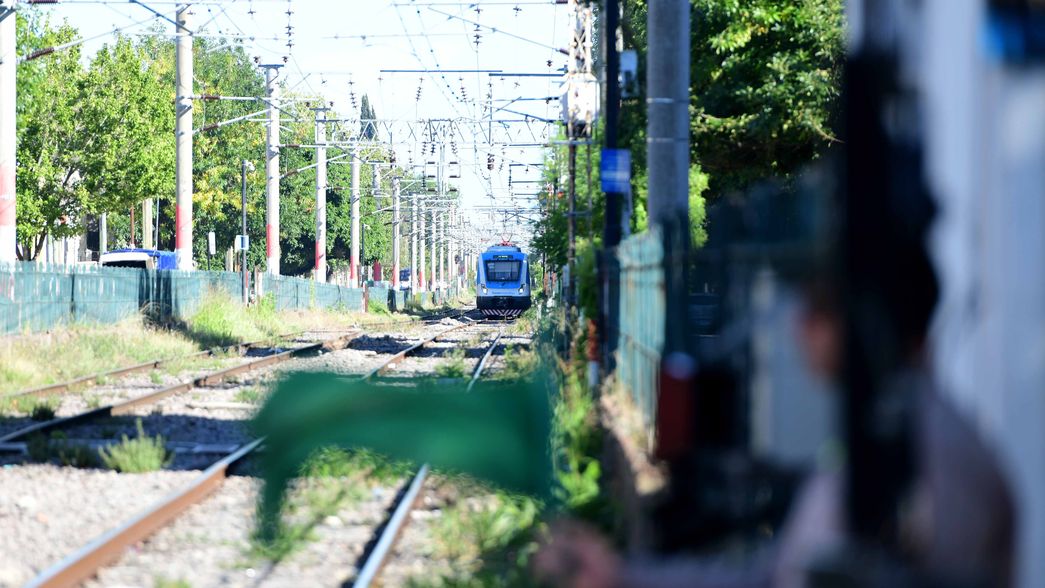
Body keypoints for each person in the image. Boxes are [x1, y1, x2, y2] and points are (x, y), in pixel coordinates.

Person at [536, 272, 1014, 588]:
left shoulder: (915, 458)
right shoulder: (893, 440)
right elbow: (769, 574)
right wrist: (624, 574)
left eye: (820, 310)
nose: (800, 325)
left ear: (865, 322)